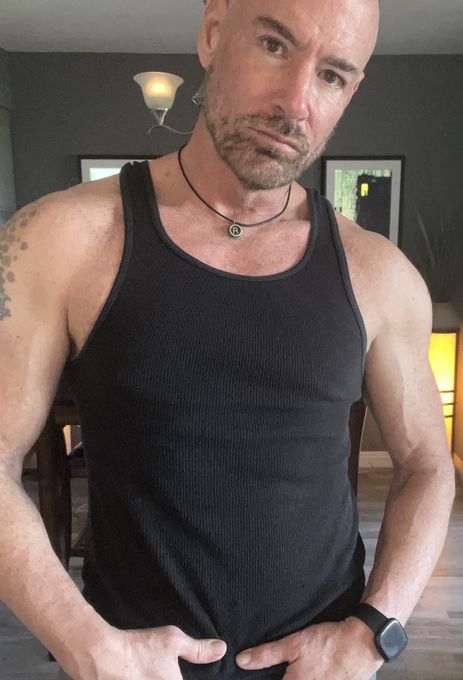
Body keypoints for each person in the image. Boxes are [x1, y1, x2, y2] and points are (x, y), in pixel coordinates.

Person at [0, 0, 455, 678]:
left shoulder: (379, 275)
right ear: (213, 33)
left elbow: (425, 465)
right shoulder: (60, 239)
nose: (295, 102)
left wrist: (372, 631)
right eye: (274, 46)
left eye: (331, 75)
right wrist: (83, 642)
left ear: (351, 90)